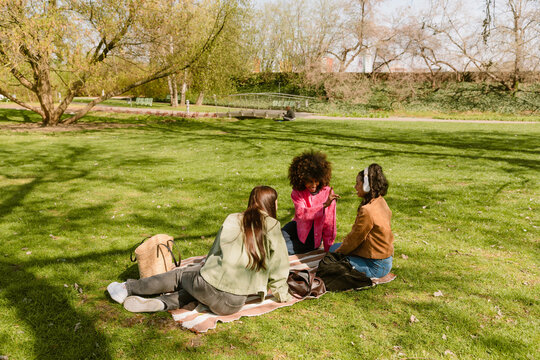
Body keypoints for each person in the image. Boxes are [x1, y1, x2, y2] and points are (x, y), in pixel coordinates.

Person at [107, 186, 291, 314]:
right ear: (271, 204)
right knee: (194, 286)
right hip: (232, 305)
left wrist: (204, 265)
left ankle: (127, 288)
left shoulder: (233, 219)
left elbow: (215, 251)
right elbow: (279, 265)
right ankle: (162, 303)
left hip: (208, 288)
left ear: (251, 201)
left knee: (182, 276)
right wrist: (282, 294)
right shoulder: (273, 226)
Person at [329, 163, 394, 279]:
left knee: (330, 263)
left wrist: (339, 253)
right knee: (331, 249)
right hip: (384, 260)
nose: (355, 187)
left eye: (357, 183)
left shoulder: (367, 210)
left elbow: (355, 238)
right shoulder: (380, 201)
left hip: (376, 266)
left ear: (366, 187)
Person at [281, 151, 340, 255]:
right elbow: (301, 213)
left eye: (316, 181)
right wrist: (323, 206)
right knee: (274, 238)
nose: (314, 185)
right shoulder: (297, 192)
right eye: (309, 181)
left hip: (311, 238)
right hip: (297, 226)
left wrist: (328, 250)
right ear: (302, 179)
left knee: (281, 249)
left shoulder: (328, 193)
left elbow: (330, 225)